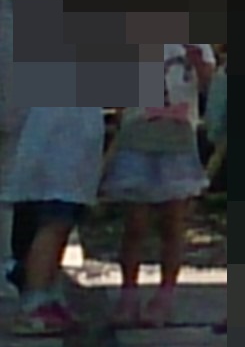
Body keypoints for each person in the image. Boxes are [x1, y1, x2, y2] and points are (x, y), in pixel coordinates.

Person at [94, 44, 208, 328]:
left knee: (173, 223)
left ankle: (165, 296)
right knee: (135, 223)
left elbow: (209, 86)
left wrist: (198, 63)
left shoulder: (196, 43)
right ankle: (128, 294)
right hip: (138, 134)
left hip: (178, 137)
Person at [5, 99, 100, 336]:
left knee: (62, 223)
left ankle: (48, 294)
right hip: (59, 149)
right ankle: (34, 302)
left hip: (70, 145)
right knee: (53, 223)